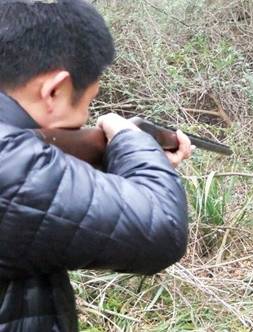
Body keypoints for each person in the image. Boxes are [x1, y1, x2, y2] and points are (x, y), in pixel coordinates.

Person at [0, 0, 191, 331]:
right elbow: (163, 226)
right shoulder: (9, 160)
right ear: (54, 91)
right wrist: (130, 141)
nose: (87, 118)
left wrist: (129, 161)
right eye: (89, 103)